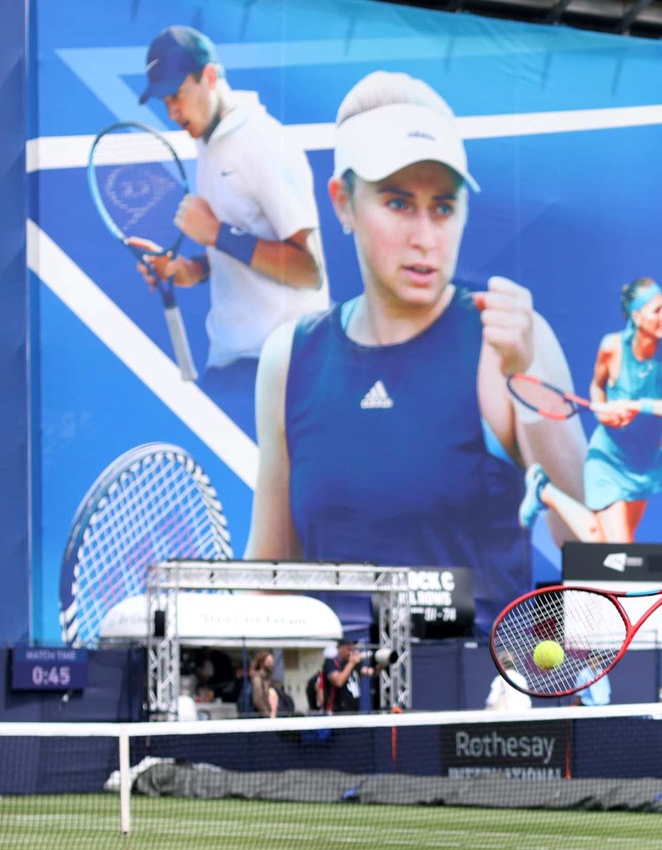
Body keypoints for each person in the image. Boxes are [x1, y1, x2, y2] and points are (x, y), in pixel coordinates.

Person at [244, 72, 589, 632]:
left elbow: (588, 542)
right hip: (333, 708)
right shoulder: (291, 358)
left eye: (444, 207)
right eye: (399, 203)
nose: (426, 236)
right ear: (343, 204)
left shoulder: (504, 340)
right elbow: (267, 573)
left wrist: (527, 381)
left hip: (479, 708)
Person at [131, 26, 329, 430]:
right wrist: (190, 269)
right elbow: (243, 242)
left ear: (209, 78)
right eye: (163, 100)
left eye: (176, 95)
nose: (171, 112)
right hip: (231, 365)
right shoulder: (208, 143)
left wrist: (217, 234)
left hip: (285, 368)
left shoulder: (264, 142)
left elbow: (309, 270)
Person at [526, 278, 662, 545]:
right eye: (657, 310)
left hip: (643, 461)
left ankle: (545, 491)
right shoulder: (612, 347)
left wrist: (635, 405)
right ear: (636, 315)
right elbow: (597, 388)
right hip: (608, 458)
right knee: (623, 551)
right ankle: (545, 491)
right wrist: (603, 413)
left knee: (602, 544)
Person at [319, 639, 373, 714]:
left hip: (353, 711)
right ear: (340, 647)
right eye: (348, 646)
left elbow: (370, 672)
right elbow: (338, 681)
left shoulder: (353, 664)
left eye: (352, 645)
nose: (351, 648)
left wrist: (380, 662)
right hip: (337, 713)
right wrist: (351, 663)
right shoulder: (331, 663)